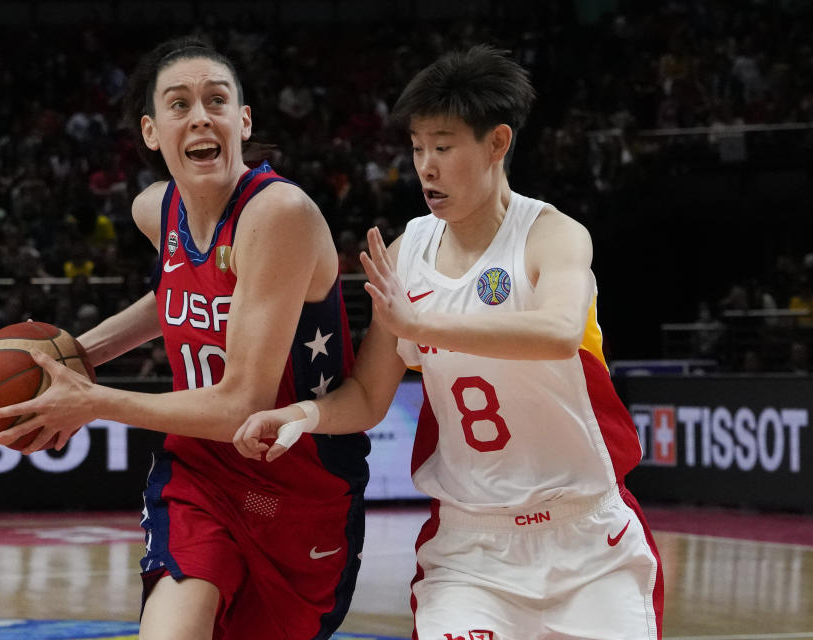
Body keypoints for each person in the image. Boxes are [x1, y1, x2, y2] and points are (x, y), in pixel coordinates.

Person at [235, 45, 664, 640]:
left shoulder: (552, 236)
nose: (426, 166)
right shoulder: (409, 251)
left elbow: (560, 331)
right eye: (417, 148)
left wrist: (422, 327)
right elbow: (367, 398)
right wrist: (304, 413)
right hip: (471, 548)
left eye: (443, 145)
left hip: (588, 540)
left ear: (497, 143)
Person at [0, 37, 369, 640]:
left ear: (242, 121)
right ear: (150, 130)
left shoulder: (278, 215)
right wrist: (79, 354)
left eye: (217, 100)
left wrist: (94, 401)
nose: (200, 115)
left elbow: (242, 406)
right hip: (200, 472)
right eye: (179, 103)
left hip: (300, 487)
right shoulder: (154, 210)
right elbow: (176, 295)